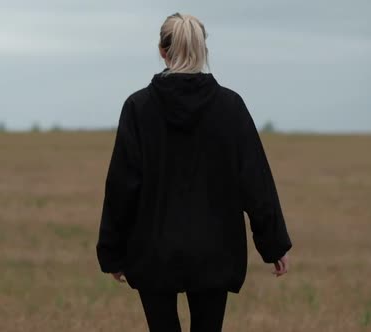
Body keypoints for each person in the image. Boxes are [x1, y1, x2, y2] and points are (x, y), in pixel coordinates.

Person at [96, 12, 293, 332]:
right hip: (215, 250)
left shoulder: (138, 108)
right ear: (204, 51)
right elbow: (255, 181)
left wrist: (112, 252)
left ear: (162, 51)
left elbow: (122, 186)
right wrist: (273, 244)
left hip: (152, 250)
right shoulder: (231, 107)